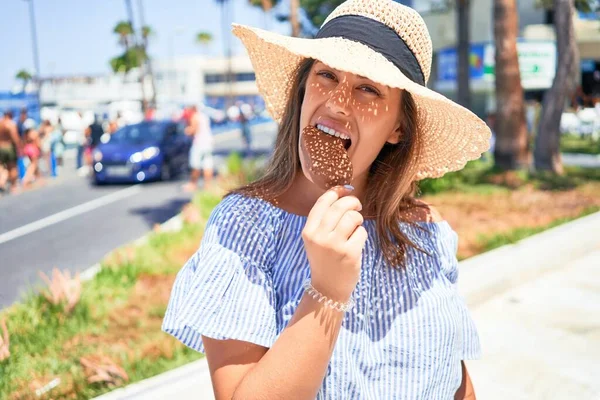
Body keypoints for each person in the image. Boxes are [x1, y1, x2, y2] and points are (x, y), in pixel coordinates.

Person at [162, 0, 491, 398]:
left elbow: (455, 380)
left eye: (368, 88)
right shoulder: (244, 228)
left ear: (398, 128)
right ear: (303, 90)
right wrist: (328, 290)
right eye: (327, 75)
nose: (338, 101)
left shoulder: (427, 231)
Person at [182, 104, 214, 192]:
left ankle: (193, 184)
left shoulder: (195, 117)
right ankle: (208, 185)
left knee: (195, 164)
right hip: (208, 142)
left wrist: (186, 130)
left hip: (199, 143)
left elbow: (194, 129)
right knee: (207, 164)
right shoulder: (204, 116)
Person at [0, 111, 21, 193]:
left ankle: (1, 182)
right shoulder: (10, 124)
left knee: (2, 167)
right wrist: (18, 146)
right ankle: (13, 186)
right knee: (12, 167)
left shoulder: (0, 123)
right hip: (9, 147)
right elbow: (15, 137)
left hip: (0, 147)